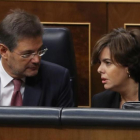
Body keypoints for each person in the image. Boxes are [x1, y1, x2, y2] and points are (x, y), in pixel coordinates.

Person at [0, 9, 74, 107]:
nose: (37, 60)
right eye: (27, 54)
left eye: (40, 50)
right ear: (4, 51)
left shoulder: (57, 79)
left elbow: (67, 122)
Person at [91, 28, 140, 108]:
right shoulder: (100, 101)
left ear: (128, 65)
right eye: (100, 63)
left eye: (108, 63)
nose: (99, 70)